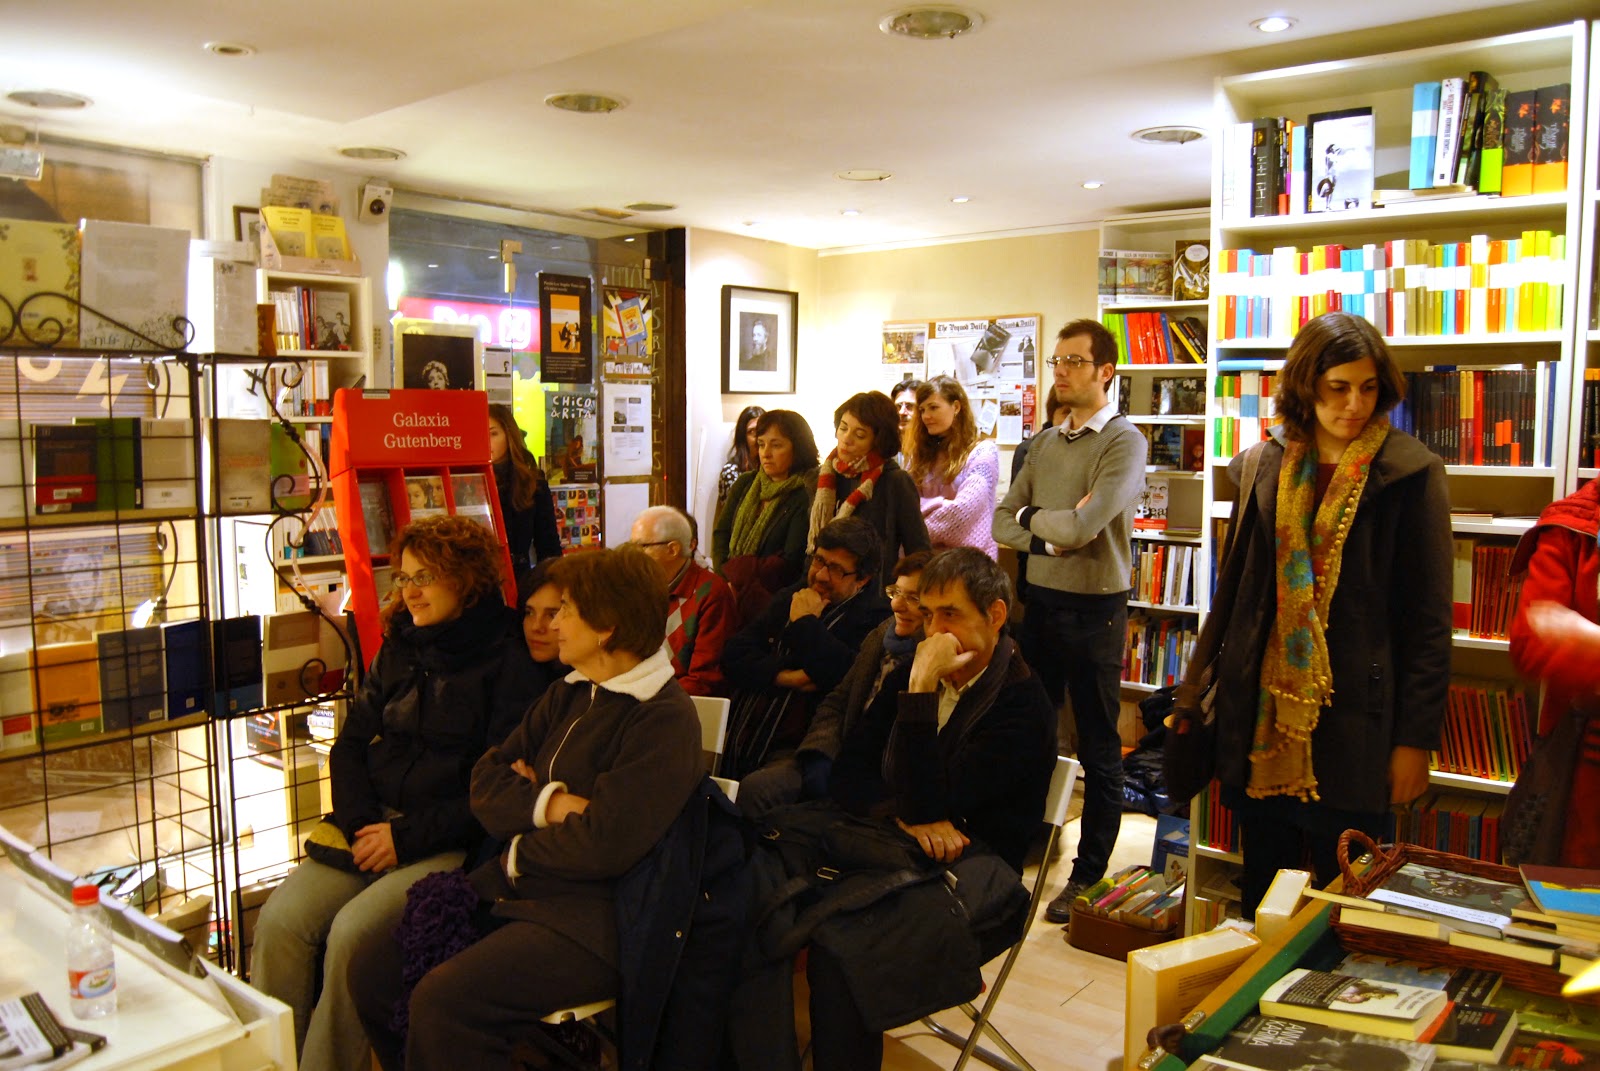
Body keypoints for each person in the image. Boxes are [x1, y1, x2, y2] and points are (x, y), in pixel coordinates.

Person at [348, 548, 709, 1070]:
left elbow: (605, 845)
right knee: (374, 968)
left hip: (599, 920)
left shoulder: (662, 718)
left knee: (446, 1003)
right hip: (519, 889)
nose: (551, 624)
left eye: (565, 611)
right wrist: (553, 803)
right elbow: (485, 783)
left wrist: (522, 836)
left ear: (606, 627)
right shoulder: (569, 692)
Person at [732, 548, 1056, 1070]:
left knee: (840, 950)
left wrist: (921, 691)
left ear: (995, 615)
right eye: (928, 615)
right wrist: (904, 811)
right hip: (885, 846)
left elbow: (937, 801)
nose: (935, 631)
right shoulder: (911, 669)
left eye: (950, 614)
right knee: (745, 896)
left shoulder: (1022, 702)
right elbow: (849, 775)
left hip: (972, 874)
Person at [250, 516, 538, 1071]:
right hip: (371, 825)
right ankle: (268, 1062)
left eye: (425, 577)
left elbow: (495, 789)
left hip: (448, 839)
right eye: (403, 578)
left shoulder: (509, 657)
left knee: (352, 938)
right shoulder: (401, 643)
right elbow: (350, 744)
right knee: (282, 920)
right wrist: (363, 824)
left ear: (467, 578)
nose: (409, 592)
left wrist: (401, 839)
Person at [1208, 311, 1451, 918]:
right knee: (1263, 902)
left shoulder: (1410, 473)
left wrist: (1414, 741)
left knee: (1347, 909)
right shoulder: (1262, 465)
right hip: (1263, 727)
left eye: (1368, 388)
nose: (1354, 404)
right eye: (1338, 387)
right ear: (1305, 386)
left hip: (1357, 727)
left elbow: (1428, 622)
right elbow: (1239, 599)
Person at [992, 318, 1148, 924]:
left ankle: (1087, 876)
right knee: (1030, 735)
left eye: (1074, 362)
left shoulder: (1123, 442)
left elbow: (1085, 528)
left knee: (1098, 747)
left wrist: (1035, 522)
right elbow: (1001, 522)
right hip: (1040, 604)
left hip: (1094, 611)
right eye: (1056, 361)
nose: (1060, 371)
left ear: (1105, 371)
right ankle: (1012, 861)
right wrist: (1048, 533)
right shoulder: (1044, 444)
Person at [737, 550, 931, 818]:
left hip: (880, 774)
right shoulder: (880, 637)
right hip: (832, 753)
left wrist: (805, 624)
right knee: (755, 789)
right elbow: (838, 702)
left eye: (913, 598)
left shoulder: (914, 647)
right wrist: (820, 755)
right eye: (896, 593)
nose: (897, 605)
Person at [721, 517, 889, 785]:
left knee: (755, 789)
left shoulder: (874, 619)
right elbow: (732, 655)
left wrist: (804, 622)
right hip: (748, 731)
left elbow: (840, 675)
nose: (821, 575)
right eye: (819, 560)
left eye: (836, 569)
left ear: (862, 579)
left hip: (801, 748)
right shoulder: (793, 594)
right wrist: (786, 677)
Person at [1509, 477, 1600, 867]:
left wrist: (1584, 641)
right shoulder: (1573, 523)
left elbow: (1555, 633)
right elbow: (1531, 643)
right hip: (1584, 774)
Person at [808, 390, 930, 583]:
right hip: (821, 582)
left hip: (871, 591)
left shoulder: (895, 481)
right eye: (843, 428)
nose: (846, 439)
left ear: (878, 440)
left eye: (859, 434)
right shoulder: (824, 475)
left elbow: (919, 550)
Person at [713, 409, 819, 622]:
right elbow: (721, 534)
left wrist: (739, 574)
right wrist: (727, 578)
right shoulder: (745, 483)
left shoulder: (805, 493)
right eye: (761, 444)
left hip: (772, 601)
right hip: (729, 592)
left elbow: (790, 560)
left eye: (776, 445)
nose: (765, 453)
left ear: (798, 447)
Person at [630, 505, 737, 697]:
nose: (633, 555)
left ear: (673, 549)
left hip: (676, 704)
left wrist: (645, 699)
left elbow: (704, 680)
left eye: (642, 546)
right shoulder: (639, 588)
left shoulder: (711, 592)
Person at [905, 375, 1000, 559]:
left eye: (933, 407)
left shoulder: (983, 453)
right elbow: (904, 506)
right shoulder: (918, 456)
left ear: (956, 407)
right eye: (922, 410)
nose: (926, 416)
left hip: (967, 565)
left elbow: (961, 513)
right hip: (922, 562)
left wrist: (915, 527)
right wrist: (942, 505)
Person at [1009, 385, 1066, 606]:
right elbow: (1017, 511)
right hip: (1036, 557)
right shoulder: (1028, 450)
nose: (1072, 420)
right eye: (1065, 412)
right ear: (1052, 413)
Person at [488, 403, 562, 575]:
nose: (485, 440)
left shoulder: (532, 482)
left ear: (509, 435)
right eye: (479, 434)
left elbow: (548, 544)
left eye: (493, 433)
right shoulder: (467, 481)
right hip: (474, 577)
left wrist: (553, 581)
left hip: (518, 575)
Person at [715, 404, 766, 518]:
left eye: (762, 431)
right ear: (743, 436)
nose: (758, 437)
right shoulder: (732, 472)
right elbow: (736, 515)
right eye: (752, 432)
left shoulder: (772, 468)